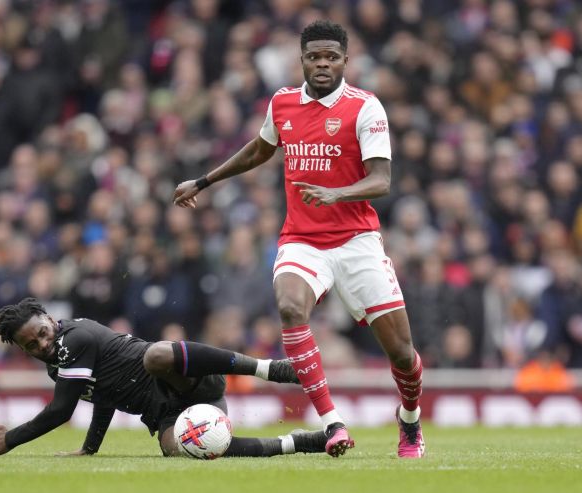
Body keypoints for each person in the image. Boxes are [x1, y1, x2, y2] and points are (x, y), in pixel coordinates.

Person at [173, 20, 425, 458]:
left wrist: (338, 193)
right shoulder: (283, 103)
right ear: (302, 59)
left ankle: (409, 421)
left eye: (331, 56)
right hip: (303, 240)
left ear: (346, 60)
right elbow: (259, 149)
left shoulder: (365, 108)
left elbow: (382, 179)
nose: (322, 63)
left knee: (402, 355)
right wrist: (204, 180)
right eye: (314, 56)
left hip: (357, 241)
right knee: (290, 306)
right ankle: (333, 423)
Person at [0, 298, 327, 458]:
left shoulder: (73, 339)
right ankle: (298, 443)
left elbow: (61, 411)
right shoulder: (56, 363)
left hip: (189, 380)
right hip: (170, 411)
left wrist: (11, 439)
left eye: (42, 332)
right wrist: (90, 448)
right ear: (22, 349)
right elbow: (103, 395)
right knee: (177, 448)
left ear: (48, 317)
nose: (43, 344)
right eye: (32, 344)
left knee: (155, 355)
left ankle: (268, 368)